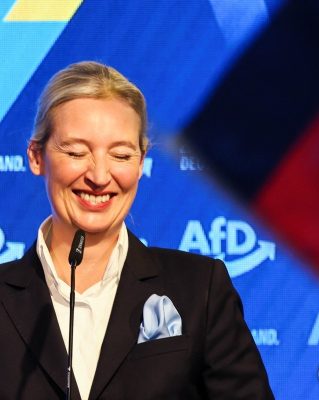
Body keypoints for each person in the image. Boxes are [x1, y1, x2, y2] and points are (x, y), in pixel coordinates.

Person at [0, 61, 274, 399]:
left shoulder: (200, 288)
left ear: (141, 162)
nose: (99, 176)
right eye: (76, 152)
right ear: (36, 156)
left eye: (120, 155)